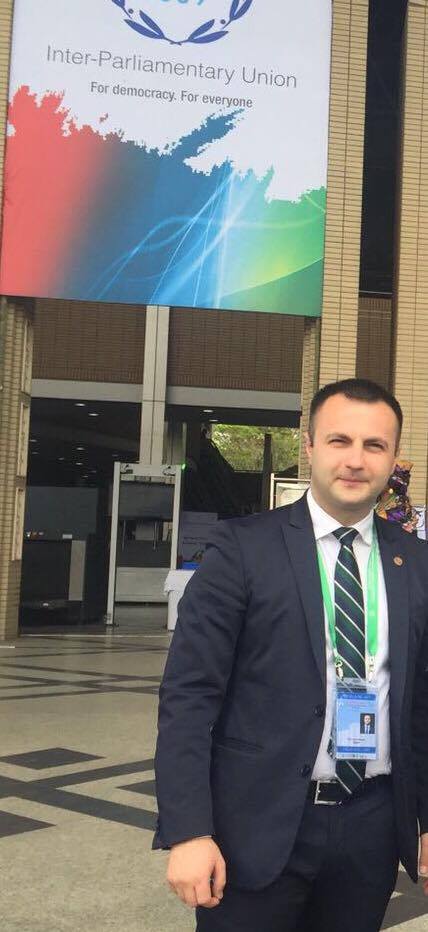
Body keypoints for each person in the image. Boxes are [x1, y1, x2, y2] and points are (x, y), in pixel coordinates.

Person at [153, 378, 428, 932]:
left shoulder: (415, 562)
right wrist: (188, 830)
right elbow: (190, 695)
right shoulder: (242, 548)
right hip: (255, 824)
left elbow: (421, 704)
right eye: (339, 440)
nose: (356, 460)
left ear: (394, 458)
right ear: (309, 446)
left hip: (372, 828)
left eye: (374, 445)